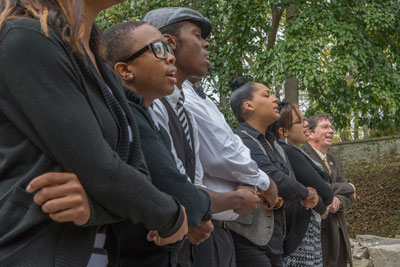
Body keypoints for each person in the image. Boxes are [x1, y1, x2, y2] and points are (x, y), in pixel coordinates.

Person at [0, 1, 187, 266]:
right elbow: (102, 171)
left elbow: (136, 173)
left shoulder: (102, 67)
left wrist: (95, 208)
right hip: (31, 251)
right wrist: (173, 215)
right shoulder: (25, 37)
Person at [143, 7, 278, 267]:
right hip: (183, 232)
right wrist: (257, 183)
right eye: (196, 35)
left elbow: (195, 175)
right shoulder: (156, 103)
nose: (206, 43)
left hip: (205, 225)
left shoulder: (183, 104)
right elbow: (222, 154)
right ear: (169, 42)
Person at [102, 21, 213, 267]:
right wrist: (200, 206)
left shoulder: (152, 122)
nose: (171, 58)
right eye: (159, 50)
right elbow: (185, 198)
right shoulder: (125, 118)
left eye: (170, 50)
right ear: (124, 70)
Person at [229, 77, 319, 267]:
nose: (275, 99)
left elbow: (287, 182)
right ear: (248, 106)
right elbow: (273, 177)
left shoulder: (274, 144)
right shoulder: (239, 140)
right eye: (267, 95)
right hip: (248, 240)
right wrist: (306, 193)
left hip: (275, 239)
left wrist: (279, 200)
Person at [270, 102, 334, 266]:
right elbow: (326, 193)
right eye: (299, 122)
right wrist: (321, 204)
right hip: (299, 234)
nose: (306, 123)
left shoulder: (293, 150)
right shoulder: (288, 151)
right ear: (283, 131)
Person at [303, 115, 355, 267]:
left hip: (338, 228)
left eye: (331, 127)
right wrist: (349, 187)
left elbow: (350, 196)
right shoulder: (303, 156)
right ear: (310, 133)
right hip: (315, 229)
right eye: (325, 127)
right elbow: (314, 187)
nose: (331, 131)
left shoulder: (334, 160)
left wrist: (339, 201)